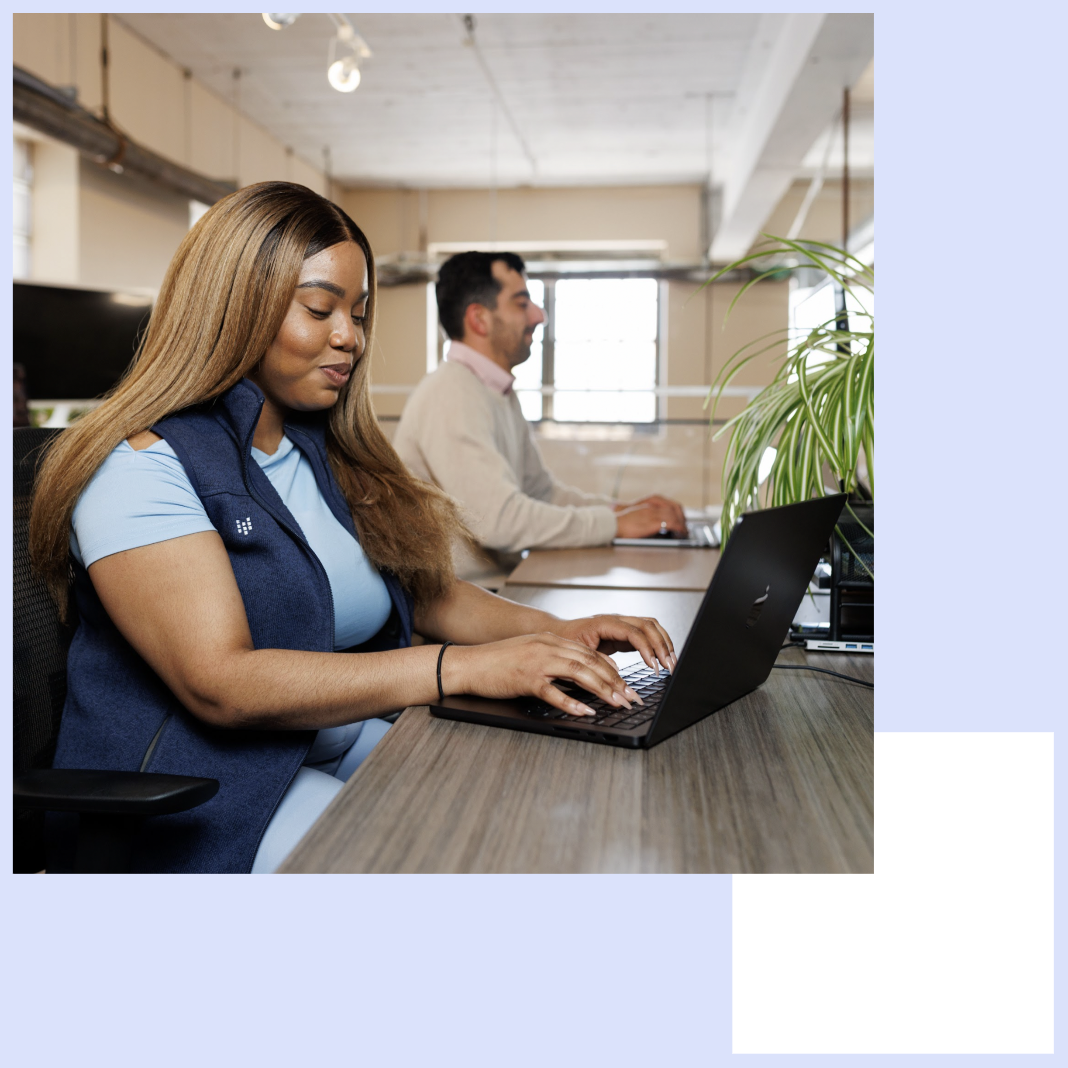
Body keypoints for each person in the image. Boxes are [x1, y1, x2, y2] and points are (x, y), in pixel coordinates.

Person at [29, 183, 677, 874]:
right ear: (235, 306)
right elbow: (220, 681)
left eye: (359, 312)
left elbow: (428, 597)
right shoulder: (141, 466)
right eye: (320, 309)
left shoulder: (323, 448)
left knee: (524, 806)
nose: (351, 336)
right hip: (200, 787)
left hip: (319, 743)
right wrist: (458, 667)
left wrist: (552, 633)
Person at [392, 251, 689, 583]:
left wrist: (621, 511)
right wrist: (616, 525)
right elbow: (499, 521)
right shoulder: (450, 392)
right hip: (471, 601)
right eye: (521, 304)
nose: (539, 315)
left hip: (500, 586)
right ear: (479, 319)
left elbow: (541, 493)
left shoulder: (495, 391)